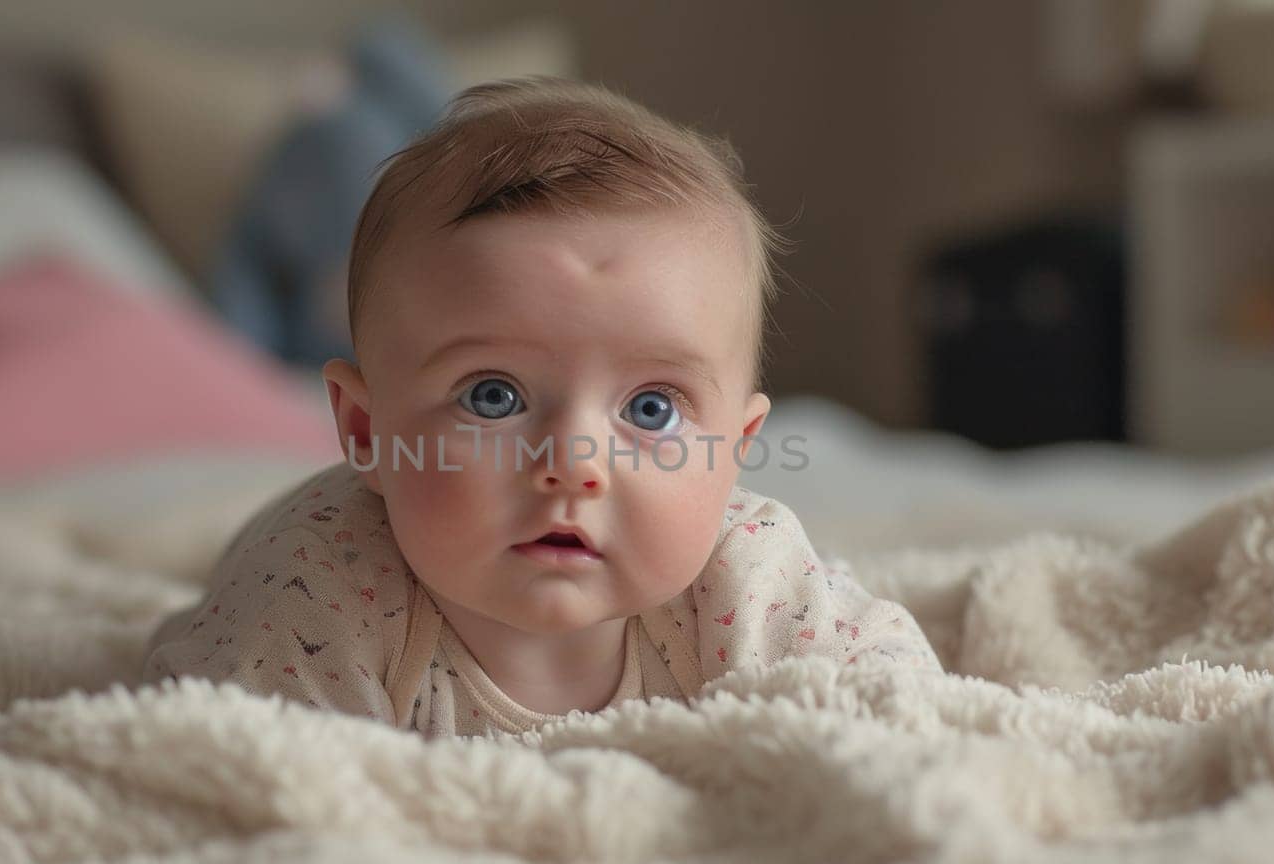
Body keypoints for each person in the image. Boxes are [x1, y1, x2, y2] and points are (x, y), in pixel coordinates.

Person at [142, 77, 941, 737]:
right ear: (367, 431)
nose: (573, 462)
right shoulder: (315, 592)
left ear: (734, 449)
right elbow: (219, 753)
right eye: (494, 396)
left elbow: (898, 701)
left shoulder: (750, 577)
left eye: (654, 408)